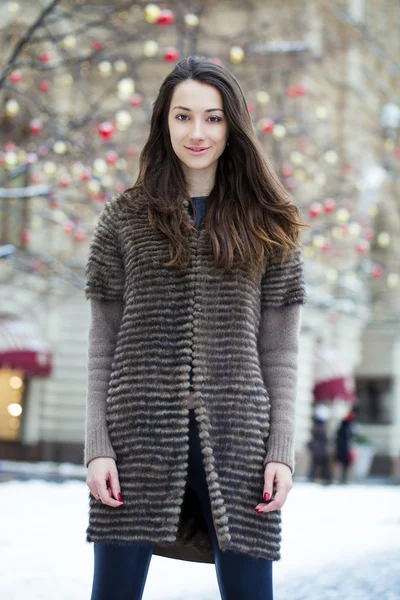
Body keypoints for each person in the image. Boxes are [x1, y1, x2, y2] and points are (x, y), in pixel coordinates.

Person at [84, 55, 308, 600]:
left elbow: (279, 350)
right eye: (183, 116)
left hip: (240, 443)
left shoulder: (268, 223)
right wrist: (97, 447)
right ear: (165, 122)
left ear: (233, 124)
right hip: (134, 440)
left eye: (212, 117)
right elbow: (101, 341)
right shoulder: (125, 217)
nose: (197, 132)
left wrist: (280, 449)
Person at [308, 405, 332, 485]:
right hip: (319, 449)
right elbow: (323, 439)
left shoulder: (317, 426)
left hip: (318, 448)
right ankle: (320, 478)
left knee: (316, 465)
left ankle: (314, 477)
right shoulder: (321, 426)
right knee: (319, 464)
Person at [335, 410, 356, 484]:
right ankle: (341, 479)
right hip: (343, 449)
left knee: (346, 466)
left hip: (346, 449)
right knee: (342, 465)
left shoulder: (348, 426)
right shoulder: (345, 427)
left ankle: (345, 479)